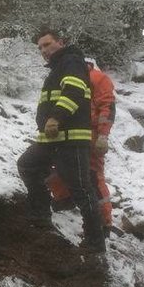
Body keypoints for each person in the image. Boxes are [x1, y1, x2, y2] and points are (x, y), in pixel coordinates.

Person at [16, 28, 106, 253]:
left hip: (70, 139)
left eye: (47, 45)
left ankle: (95, 242)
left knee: (82, 189)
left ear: (61, 42)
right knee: (28, 164)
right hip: (52, 138)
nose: (43, 51)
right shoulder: (59, 67)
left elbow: (74, 92)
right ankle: (40, 216)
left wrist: (55, 117)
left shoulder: (71, 61)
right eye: (40, 48)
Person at [46, 57, 116, 234]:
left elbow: (107, 108)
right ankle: (64, 198)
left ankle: (103, 223)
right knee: (57, 167)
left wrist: (102, 136)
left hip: (90, 136)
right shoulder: (62, 76)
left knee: (93, 176)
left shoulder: (98, 79)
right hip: (68, 133)